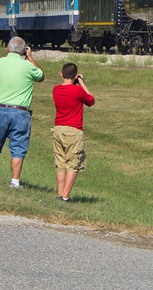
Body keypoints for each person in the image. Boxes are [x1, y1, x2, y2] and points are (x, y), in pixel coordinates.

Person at [0, 36, 44, 188]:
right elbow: (40, 76)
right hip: (20, 112)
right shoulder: (27, 66)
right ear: (24, 50)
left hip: (0, 109)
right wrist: (30, 57)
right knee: (18, 146)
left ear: (8, 48)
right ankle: (15, 181)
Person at [52, 62, 95, 202]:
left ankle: (59, 194)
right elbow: (91, 100)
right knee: (73, 164)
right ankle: (65, 196)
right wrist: (81, 82)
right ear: (75, 76)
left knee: (61, 163)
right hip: (73, 130)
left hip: (58, 128)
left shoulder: (56, 89)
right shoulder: (77, 90)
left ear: (61, 74)